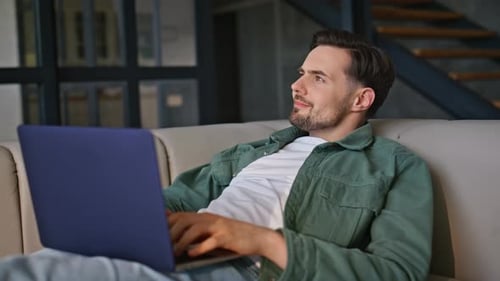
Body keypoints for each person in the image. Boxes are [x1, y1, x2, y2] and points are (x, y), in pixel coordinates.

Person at [0, 29, 433, 281]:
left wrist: (256, 239)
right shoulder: (257, 149)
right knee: (40, 265)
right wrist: (128, 219)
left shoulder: (394, 165)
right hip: (185, 256)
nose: (296, 86)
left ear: (361, 99)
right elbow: (178, 201)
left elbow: (399, 272)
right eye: (301, 73)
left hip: (246, 270)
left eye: (317, 77)